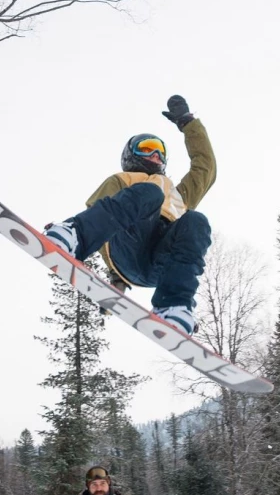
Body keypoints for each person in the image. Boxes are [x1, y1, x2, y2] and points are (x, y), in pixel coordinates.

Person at [44, 95, 216, 335]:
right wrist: (114, 279)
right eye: (146, 148)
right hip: (127, 248)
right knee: (150, 193)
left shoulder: (180, 195)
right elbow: (100, 214)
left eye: (160, 151)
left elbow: (205, 168)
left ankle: (173, 305)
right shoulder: (123, 180)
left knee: (196, 221)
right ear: (131, 154)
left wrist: (188, 123)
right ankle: (75, 237)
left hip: (160, 264)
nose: (155, 155)